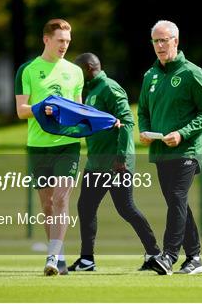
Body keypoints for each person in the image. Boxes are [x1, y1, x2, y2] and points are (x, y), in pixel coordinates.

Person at [66, 53, 161, 272]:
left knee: (125, 208)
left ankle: (155, 254)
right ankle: (87, 260)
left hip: (116, 162)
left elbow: (127, 121)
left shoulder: (109, 87)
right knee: (86, 207)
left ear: (89, 68)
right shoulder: (92, 92)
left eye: (78, 71)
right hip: (96, 163)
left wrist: (121, 158)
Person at [138, 20, 202, 275]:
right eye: (155, 41)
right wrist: (145, 131)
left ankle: (169, 256)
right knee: (176, 202)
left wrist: (182, 134)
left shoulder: (192, 72)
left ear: (176, 41)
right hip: (160, 152)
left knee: (177, 198)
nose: (159, 45)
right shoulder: (150, 75)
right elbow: (144, 111)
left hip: (186, 151)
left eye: (164, 40)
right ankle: (195, 258)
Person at [15, 18, 84, 276]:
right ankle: (60, 256)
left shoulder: (75, 72)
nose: (64, 45)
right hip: (38, 146)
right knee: (46, 206)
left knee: (60, 199)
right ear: (46, 39)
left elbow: (79, 109)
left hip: (68, 144)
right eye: (60, 41)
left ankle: (52, 258)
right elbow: (21, 110)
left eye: (67, 41)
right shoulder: (27, 70)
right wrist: (40, 109)